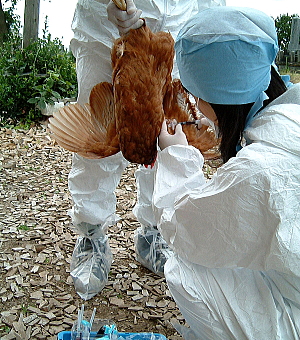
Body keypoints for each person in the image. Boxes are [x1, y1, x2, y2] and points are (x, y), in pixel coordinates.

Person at [152, 6, 300, 340]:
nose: (196, 106)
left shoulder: (260, 170)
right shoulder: (289, 116)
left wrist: (176, 156)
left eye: (199, 94)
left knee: (184, 266)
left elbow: (185, 227)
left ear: (221, 94)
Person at [68, 0, 226, 300]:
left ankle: (154, 233)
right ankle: (91, 236)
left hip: (179, 26)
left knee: (171, 136)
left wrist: (211, 24)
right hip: (105, 30)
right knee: (101, 135)